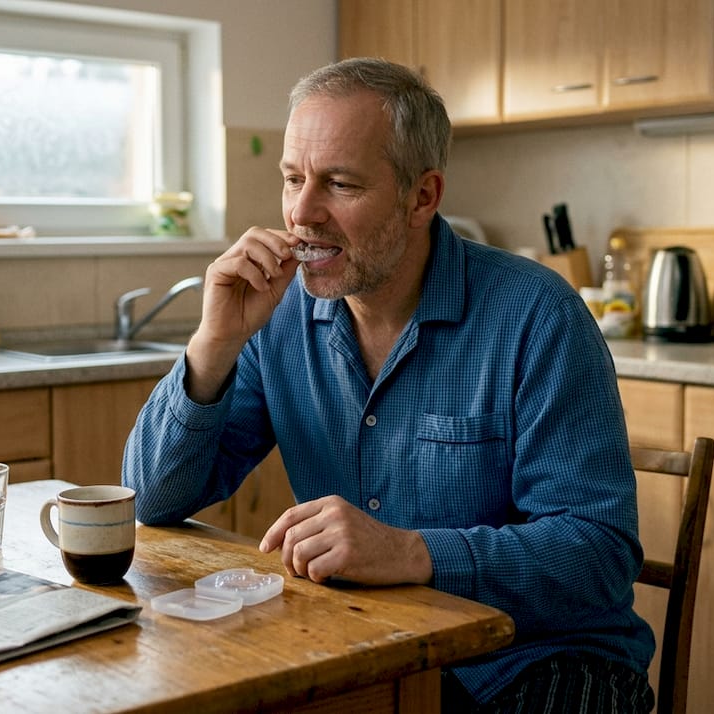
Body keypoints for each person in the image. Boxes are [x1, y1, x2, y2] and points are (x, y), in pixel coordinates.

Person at [121, 57, 655, 713]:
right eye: (293, 179)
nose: (303, 213)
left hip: (536, 661)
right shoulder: (277, 315)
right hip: (367, 648)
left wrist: (410, 552)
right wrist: (213, 345)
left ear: (422, 197)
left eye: (339, 184)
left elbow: (598, 554)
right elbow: (150, 500)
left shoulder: (539, 316)